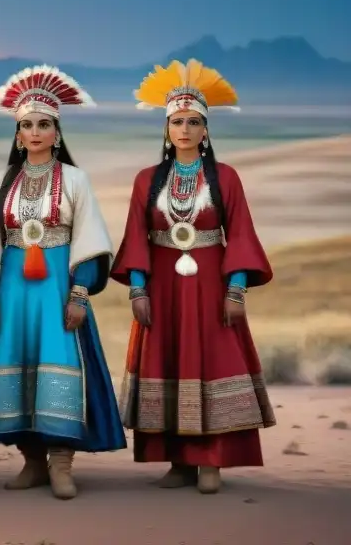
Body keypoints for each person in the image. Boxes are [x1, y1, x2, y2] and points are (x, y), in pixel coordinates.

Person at [111, 58, 275, 494]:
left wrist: (236, 289)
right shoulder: (147, 180)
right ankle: (179, 462)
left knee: (211, 361)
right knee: (167, 361)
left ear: (206, 130)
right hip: (162, 283)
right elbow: (135, 237)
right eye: (177, 121)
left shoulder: (226, 178)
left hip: (210, 284)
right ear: (166, 128)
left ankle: (211, 462)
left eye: (194, 121)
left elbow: (238, 235)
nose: (184, 129)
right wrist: (138, 290)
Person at [0, 65, 126, 500]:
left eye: (44, 124)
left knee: (59, 361)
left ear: (57, 131)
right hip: (14, 286)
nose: (34, 132)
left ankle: (62, 465)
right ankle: (32, 463)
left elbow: (89, 236)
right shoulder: (2, 181)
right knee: (18, 363)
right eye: (27, 125)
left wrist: (79, 292)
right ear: (17, 134)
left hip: (56, 284)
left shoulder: (75, 179)